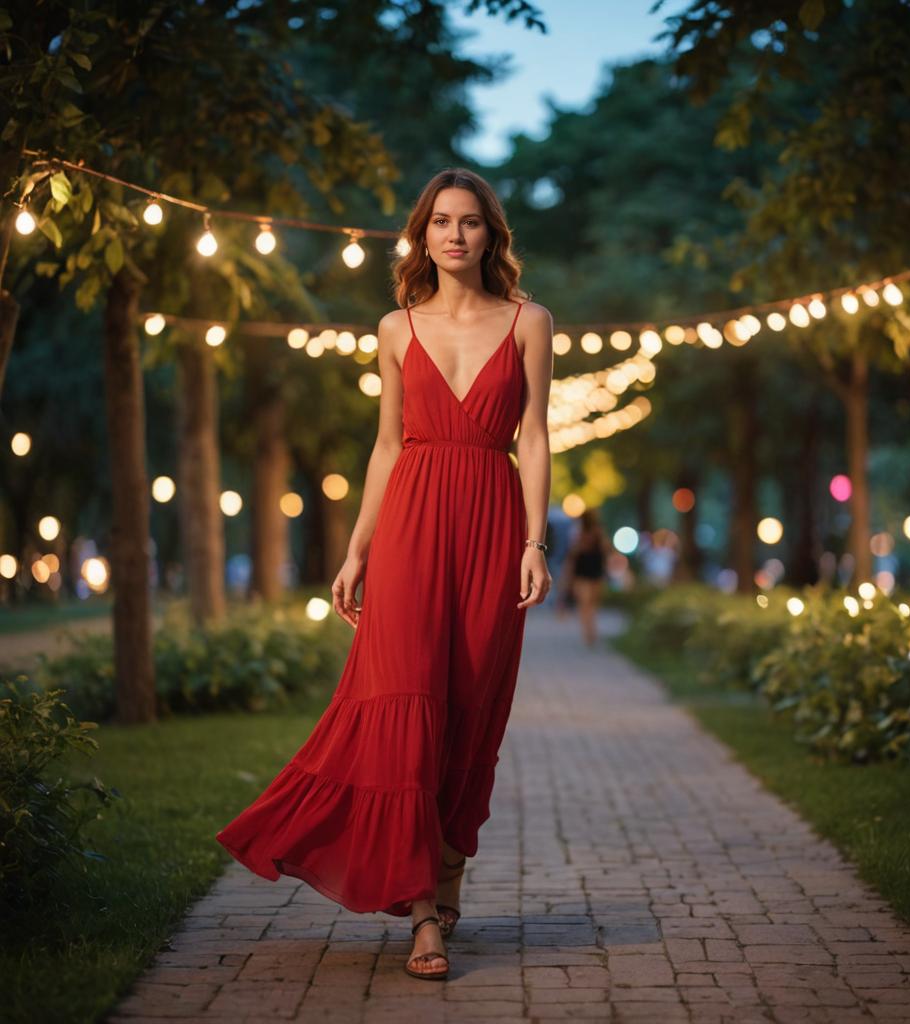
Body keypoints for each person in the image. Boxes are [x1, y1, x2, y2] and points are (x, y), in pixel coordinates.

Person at [216, 168, 554, 981]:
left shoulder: (531, 322)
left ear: (490, 234)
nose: (454, 235)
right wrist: (358, 550)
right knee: (406, 707)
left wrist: (535, 542)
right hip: (409, 528)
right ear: (422, 233)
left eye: (470, 222)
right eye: (440, 221)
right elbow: (387, 446)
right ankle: (423, 918)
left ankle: (444, 877)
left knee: (471, 707)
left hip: (490, 519)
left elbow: (536, 437)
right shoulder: (395, 327)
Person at [558, 509, 612, 647]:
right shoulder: (597, 532)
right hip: (592, 571)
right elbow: (606, 550)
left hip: (584, 572)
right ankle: (590, 632)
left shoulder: (578, 533)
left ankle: (589, 632)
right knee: (590, 605)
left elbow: (573, 553)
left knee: (586, 605)